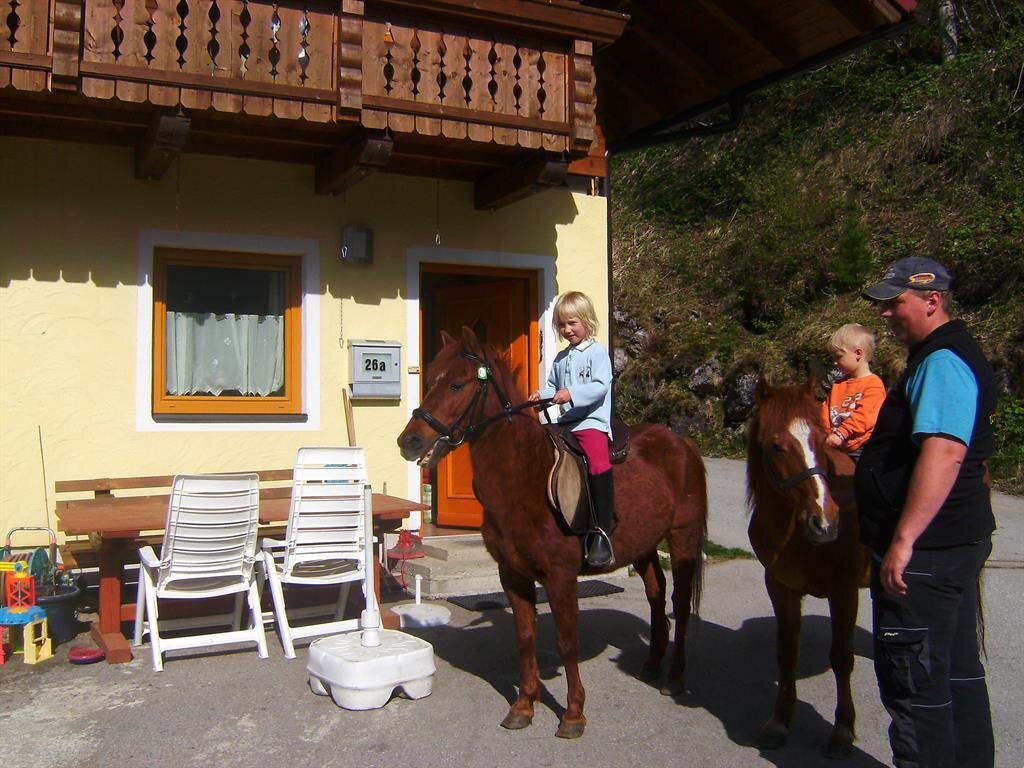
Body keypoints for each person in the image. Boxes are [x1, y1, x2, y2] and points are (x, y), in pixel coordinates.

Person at [854, 256, 996, 768]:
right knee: (955, 675)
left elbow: (945, 452)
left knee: (915, 689)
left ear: (932, 301)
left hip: (927, 555)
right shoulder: (944, 354)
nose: (886, 314)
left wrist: (903, 540)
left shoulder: (942, 361)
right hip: (949, 544)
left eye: (896, 303)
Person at [529, 291, 616, 567]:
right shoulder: (561, 358)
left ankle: (601, 531)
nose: (567, 330)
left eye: (572, 323)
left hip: (591, 422)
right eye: (562, 325)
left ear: (587, 321)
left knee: (597, 462)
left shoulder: (597, 353)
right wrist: (541, 394)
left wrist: (572, 394)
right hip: (566, 423)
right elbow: (554, 388)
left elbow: (600, 386)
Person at [821, 323, 886, 460]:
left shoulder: (873, 385)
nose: (835, 362)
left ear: (858, 353)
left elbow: (865, 417)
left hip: (861, 447)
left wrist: (841, 433)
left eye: (838, 357)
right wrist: (826, 433)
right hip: (836, 443)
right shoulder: (838, 385)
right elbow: (825, 411)